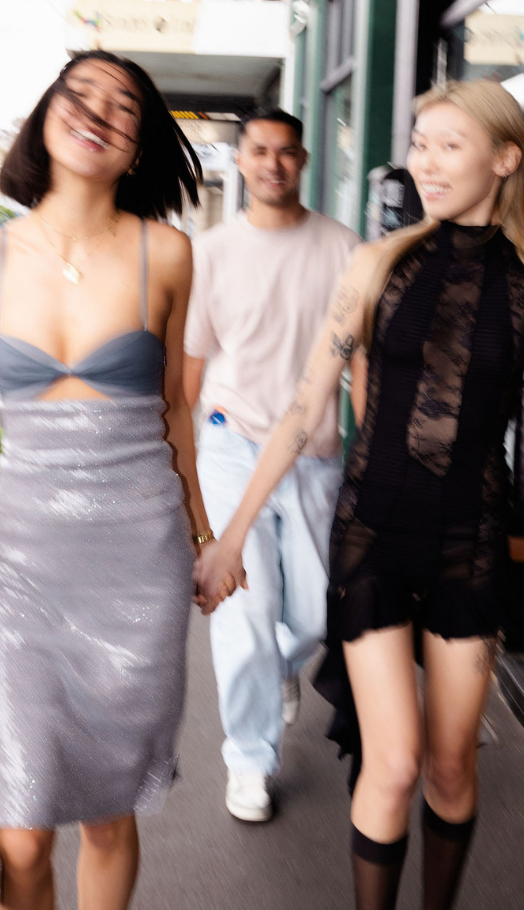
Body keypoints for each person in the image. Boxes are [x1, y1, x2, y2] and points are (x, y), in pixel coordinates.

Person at [197, 80, 524, 909]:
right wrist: (232, 532)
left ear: (505, 159)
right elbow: (304, 408)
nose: (425, 161)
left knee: (452, 766)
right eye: (419, 143)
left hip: (470, 537)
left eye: (448, 145)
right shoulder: (375, 262)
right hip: (373, 528)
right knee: (392, 762)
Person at [0, 52, 214, 910]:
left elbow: (175, 415)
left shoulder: (169, 255)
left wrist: (202, 537)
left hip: (138, 561)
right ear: (46, 117)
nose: (97, 112)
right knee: (19, 825)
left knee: (111, 816)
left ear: (139, 146)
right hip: (22, 563)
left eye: (122, 106)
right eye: (79, 94)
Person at [182, 107, 361, 822]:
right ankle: (249, 761)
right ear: (243, 160)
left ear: (305, 161)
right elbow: (192, 369)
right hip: (231, 445)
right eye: (260, 151)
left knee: (318, 612)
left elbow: (363, 362)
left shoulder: (344, 248)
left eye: (287, 152)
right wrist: (184, 474)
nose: (273, 164)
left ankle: (278, 670)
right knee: (247, 612)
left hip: (316, 453)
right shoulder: (213, 252)